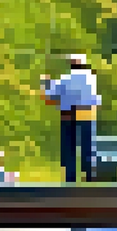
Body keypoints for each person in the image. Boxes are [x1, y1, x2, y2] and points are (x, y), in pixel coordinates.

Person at [41, 54, 102, 182]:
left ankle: (70, 179)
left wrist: (46, 82)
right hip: (88, 114)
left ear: (71, 65)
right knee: (88, 148)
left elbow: (51, 96)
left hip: (69, 115)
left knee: (69, 149)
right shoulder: (92, 78)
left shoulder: (65, 79)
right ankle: (90, 177)